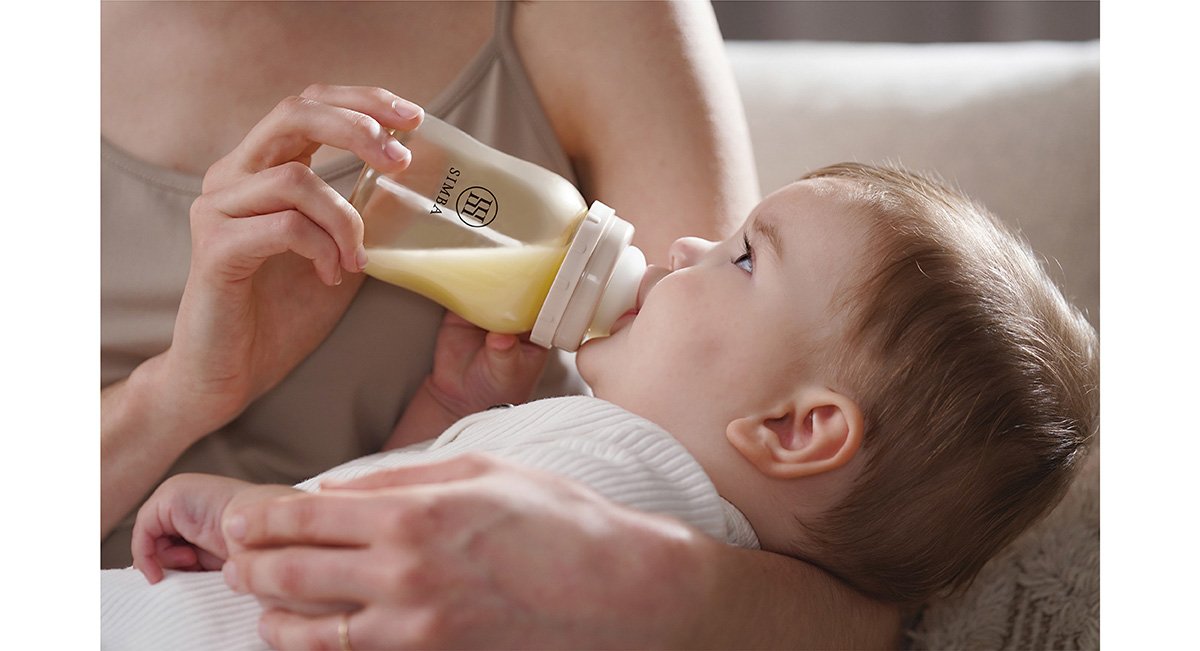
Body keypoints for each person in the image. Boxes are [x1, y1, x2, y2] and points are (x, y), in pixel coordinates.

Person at [101, 1, 901, 648]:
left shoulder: (637, 454)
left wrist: (654, 581)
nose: (687, 246)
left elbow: (787, 535)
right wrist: (177, 393)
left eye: (741, 257)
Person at [102, 163, 1098, 650]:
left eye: (745, 256)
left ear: (797, 430)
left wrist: (244, 518)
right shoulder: (634, 486)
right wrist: (450, 408)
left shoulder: (617, 476)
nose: (684, 248)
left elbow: (373, 568)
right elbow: (412, 527)